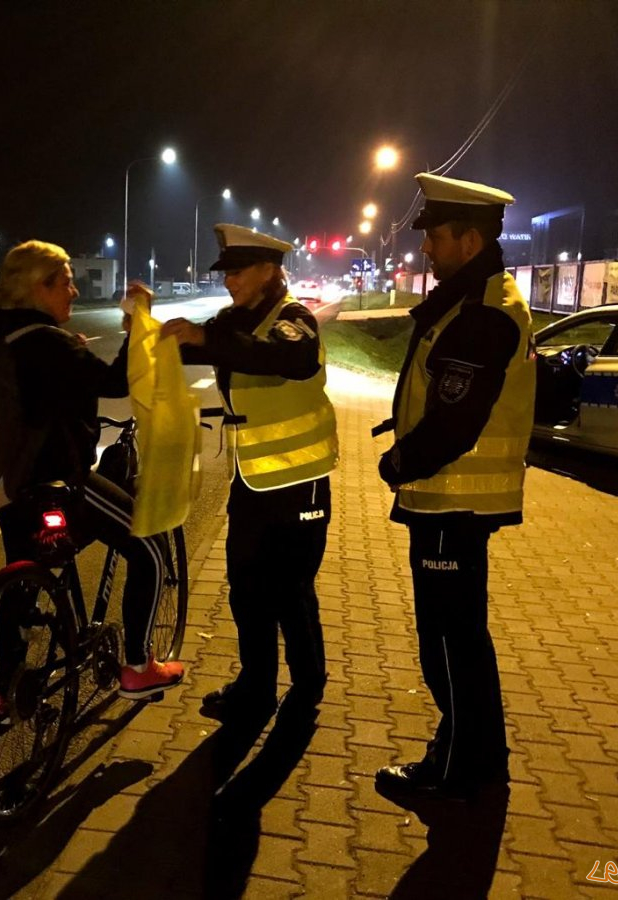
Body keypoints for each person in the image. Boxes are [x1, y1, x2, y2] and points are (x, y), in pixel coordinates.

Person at [373, 173, 536, 805]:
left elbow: (456, 421)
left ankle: (460, 769)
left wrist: (397, 463)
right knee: (457, 635)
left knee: (450, 641)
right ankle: (474, 754)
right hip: (450, 500)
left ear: (469, 239)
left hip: (453, 501)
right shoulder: (474, 300)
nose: (427, 250)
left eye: (436, 237)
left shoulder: (483, 314)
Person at [0, 240, 184, 710]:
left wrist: (71, 355)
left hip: (11, 489)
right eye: (65, 281)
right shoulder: (47, 342)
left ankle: (4, 685)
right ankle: (137, 667)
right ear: (39, 287)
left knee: (22, 573)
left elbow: (40, 395)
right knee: (150, 543)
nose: (73, 289)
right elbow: (114, 382)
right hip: (59, 483)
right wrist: (136, 326)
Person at [161, 224, 337, 723]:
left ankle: (307, 689)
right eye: (226, 272)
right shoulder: (235, 321)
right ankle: (255, 687)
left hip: (299, 482)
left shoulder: (293, 319)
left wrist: (206, 338)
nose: (229, 281)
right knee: (245, 587)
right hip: (253, 481)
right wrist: (154, 339)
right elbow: (202, 348)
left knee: (291, 591)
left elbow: (293, 358)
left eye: (237, 272)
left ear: (268, 270)